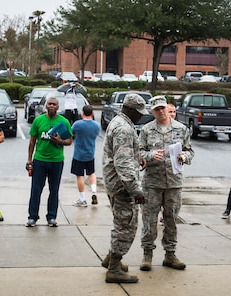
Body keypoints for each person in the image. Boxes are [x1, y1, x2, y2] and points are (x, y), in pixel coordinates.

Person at [138, 95, 194, 272]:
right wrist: (149, 156)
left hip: (173, 183)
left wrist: (185, 157)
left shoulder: (181, 129)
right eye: (156, 109)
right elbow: (139, 151)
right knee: (149, 220)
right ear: (152, 111)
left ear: (167, 108)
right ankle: (147, 254)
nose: (160, 111)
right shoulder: (146, 130)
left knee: (171, 220)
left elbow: (189, 150)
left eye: (162, 108)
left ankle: (170, 254)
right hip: (152, 183)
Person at [102, 93, 147, 284]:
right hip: (122, 186)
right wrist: (135, 189)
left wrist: (137, 157)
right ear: (129, 109)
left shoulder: (120, 122)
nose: (141, 116)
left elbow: (124, 155)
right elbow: (123, 163)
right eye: (138, 112)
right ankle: (114, 268)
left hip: (115, 182)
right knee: (126, 225)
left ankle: (111, 258)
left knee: (120, 222)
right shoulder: (123, 128)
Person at [25, 96, 73, 227]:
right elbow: (32, 141)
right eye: (50, 104)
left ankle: (52, 217)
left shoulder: (64, 122)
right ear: (46, 106)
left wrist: (61, 142)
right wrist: (29, 159)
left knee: (54, 190)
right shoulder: (38, 121)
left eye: (54, 104)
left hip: (56, 161)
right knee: (36, 190)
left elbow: (70, 140)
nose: (51, 106)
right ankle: (32, 217)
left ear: (58, 107)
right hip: (40, 160)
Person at [71, 105, 100, 207]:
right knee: (91, 173)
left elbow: (71, 133)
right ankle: (94, 191)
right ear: (92, 113)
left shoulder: (77, 124)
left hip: (79, 154)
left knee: (80, 176)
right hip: (90, 154)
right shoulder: (96, 126)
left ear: (82, 113)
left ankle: (82, 199)